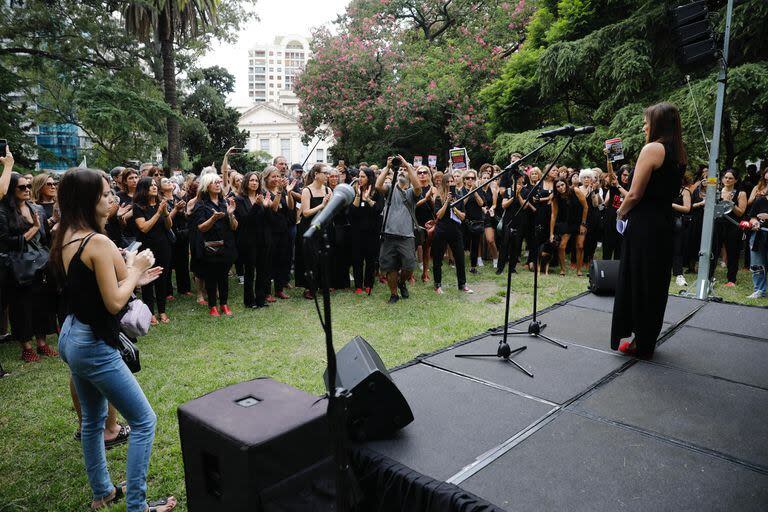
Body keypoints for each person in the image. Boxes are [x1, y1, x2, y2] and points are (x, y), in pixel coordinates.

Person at [53, 168, 176, 512]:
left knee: (92, 420)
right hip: (92, 343)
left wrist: (132, 274)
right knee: (144, 421)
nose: (114, 199)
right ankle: (136, 506)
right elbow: (113, 302)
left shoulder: (68, 235)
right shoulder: (99, 241)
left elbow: (95, 289)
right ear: (87, 199)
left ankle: (102, 492)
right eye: (106, 194)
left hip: (72, 335)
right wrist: (135, 269)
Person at [611, 102, 686, 357]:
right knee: (654, 283)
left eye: (646, 121)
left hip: (645, 225)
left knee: (638, 279)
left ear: (658, 124)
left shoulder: (653, 148)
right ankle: (645, 340)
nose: (644, 126)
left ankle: (638, 342)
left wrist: (621, 213)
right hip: (663, 224)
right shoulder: (678, 152)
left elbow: (634, 193)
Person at [0, 172, 59, 362]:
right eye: (21, 187)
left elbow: (44, 237)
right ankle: (26, 346)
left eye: (28, 186)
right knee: (21, 306)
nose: (27, 190)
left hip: (40, 263)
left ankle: (42, 343)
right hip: (17, 266)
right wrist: (32, 228)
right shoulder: (4, 212)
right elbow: (6, 242)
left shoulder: (37, 209)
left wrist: (52, 223)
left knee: (42, 303)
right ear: (10, 190)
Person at [375, 155, 421, 304]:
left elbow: (418, 187)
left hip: (406, 236)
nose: (401, 172)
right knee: (390, 267)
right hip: (388, 236)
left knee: (409, 265)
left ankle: (402, 282)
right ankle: (394, 294)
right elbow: (377, 186)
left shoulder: (411, 193)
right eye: (399, 170)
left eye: (404, 171)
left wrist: (407, 166)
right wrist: (387, 167)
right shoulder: (390, 189)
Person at [191, 173, 238, 317]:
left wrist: (230, 214)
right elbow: (201, 228)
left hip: (227, 245)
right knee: (211, 277)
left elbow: (235, 227)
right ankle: (213, 306)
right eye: (214, 182)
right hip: (210, 246)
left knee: (224, 276)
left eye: (219, 182)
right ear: (207, 186)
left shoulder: (225, 202)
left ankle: (224, 304)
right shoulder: (201, 205)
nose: (218, 184)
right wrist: (213, 218)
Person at [132, 177, 173, 324]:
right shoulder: (137, 207)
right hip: (147, 249)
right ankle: (150, 313)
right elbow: (144, 228)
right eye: (151, 186)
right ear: (144, 189)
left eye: (155, 185)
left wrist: (165, 212)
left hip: (163, 246)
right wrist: (158, 213)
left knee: (162, 279)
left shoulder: (160, 204)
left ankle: (162, 311)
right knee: (148, 281)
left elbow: (168, 226)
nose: (154, 187)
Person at [234, 171, 271, 308]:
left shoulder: (261, 198)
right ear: (246, 183)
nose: (254, 183)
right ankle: (249, 301)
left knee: (262, 271)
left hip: (263, 239)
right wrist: (256, 205)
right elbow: (245, 221)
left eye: (256, 180)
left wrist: (266, 207)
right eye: (251, 180)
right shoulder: (239, 200)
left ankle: (260, 299)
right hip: (248, 241)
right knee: (249, 271)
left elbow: (267, 220)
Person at [431, 172, 472, 294]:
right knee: (438, 259)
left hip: (456, 231)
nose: (450, 184)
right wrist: (447, 202)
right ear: (443, 183)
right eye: (447, 182)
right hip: (442, 230)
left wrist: (454, 207)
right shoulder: (438, 197)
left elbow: (463, 217)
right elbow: (438, 215)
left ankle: (462, 284)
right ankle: (437, 285)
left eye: (451, 181)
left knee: (460, 258)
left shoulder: (459, 197)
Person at [295, 164, 331, 299]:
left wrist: (328, 207)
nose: (327, 175)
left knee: (323, 257)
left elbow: (330, 210)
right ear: (316, 174)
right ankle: (309, 288)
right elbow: (305, 212)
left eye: (328, 173)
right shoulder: (306, 191)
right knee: (311, 258)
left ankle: (322, 285)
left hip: (322, 227)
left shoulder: (328, 190)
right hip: (309, 228)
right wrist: (322, 205)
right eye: (325, 173)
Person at [263, 166, 296, 300]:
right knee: (269, 261)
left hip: (283, 230)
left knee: (282, 260)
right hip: (270, 231)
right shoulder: (265, 192)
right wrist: (280, 192)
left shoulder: (280, 190)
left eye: (277, 176)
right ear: (266, 178)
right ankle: (266, 292)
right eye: (273, 176)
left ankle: (279, 289)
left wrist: (288, 193)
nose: (276, 179)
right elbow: (274, 208)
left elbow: (291, 207)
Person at [710, 169, 747, 287]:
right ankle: (709, 276)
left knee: (733, 252)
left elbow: (741, 213)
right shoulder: (717, 191)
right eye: (725, 177)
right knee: (713, 251)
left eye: (730, 178)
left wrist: (731, 204)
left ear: (736, 180)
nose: (727, 180)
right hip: (718, 224)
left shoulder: (741, 193)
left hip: (733, 226)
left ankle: (731, 279)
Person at [349, 167, 381, 295]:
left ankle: (368, 284)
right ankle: (358, 285)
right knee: (357, 260)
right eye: (359, 176)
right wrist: (358, 195)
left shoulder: (377, 192)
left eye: (362, 176)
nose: (359, 179)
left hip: (372, 232)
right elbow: (352, 213)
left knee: (370, 260)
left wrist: (367, 199)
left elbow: (378, 210)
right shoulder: (354, 191)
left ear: (369, 178)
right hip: (357, 232)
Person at [549, 179, 588, 276]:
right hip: (566, 223)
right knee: (562, 246)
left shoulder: (575, 191)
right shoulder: (556, 197)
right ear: (555, 188)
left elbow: (586, 207)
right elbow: (553, 215)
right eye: (558, 186)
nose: (561, 188)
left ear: (566, 184)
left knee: (580, 246)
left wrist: (583, 224)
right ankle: (563, 269)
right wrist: (551, 233)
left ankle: (579, 270)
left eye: (562, 185)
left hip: (580, 222)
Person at [457, 169, 484, 273]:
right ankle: (461, 265)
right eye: (468, 178)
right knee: (462, 245)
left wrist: (475, 192)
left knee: (475, 245)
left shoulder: (478, 189)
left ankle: (473, 267)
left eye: (472, 178)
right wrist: (469, 192)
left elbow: (481, 203)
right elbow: (461, 203)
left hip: (476, 221)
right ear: (464, 180)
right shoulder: (460, 190)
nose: (470, 180)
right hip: (464, 221)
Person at [414, 166, 435, 282]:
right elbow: (412, 205)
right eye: (419, 172)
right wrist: (425, 198)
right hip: (415, 219)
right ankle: (410, 274)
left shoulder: (433, 188)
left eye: (425, 172)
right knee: (412, 248)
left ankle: (425, 272)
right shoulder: (414, 189)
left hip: (428, 220)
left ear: (429, 174)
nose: (422, 174)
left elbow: (435, 208)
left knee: (427, 248)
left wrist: (430, 198)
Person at [746, 189, 768, 299]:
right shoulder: (760, 200)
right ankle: (760, 290)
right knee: (757, 264)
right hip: (759, 235)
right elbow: (752, 216)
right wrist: (754, 222)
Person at [672, 174, 693, 287]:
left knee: (677, 248)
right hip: (665, 220)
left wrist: (671, 205)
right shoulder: (667, 188)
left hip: (678, 222)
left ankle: (678, 273)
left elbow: (687, 208)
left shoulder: (685, 191)